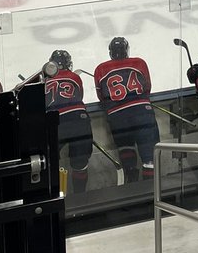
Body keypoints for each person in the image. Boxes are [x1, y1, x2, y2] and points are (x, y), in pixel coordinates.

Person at [94, 38, 160, 181]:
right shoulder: (139, 63)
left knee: (126, 148)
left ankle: (131, 182)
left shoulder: (100, 69)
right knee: (149, 159)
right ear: (126, 50)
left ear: (111, 52)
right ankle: (150, 190)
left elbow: (101, 97)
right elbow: (147, 87)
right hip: (142, 113)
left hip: (117, 117)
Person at [40, 51, 92, 193]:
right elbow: (79, 95)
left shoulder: (44, 82)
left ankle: (54, 196)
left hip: (54, 121)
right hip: (78, 119)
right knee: (80, 164)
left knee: (50, 162)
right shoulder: (74, 77)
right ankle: (80, 196)